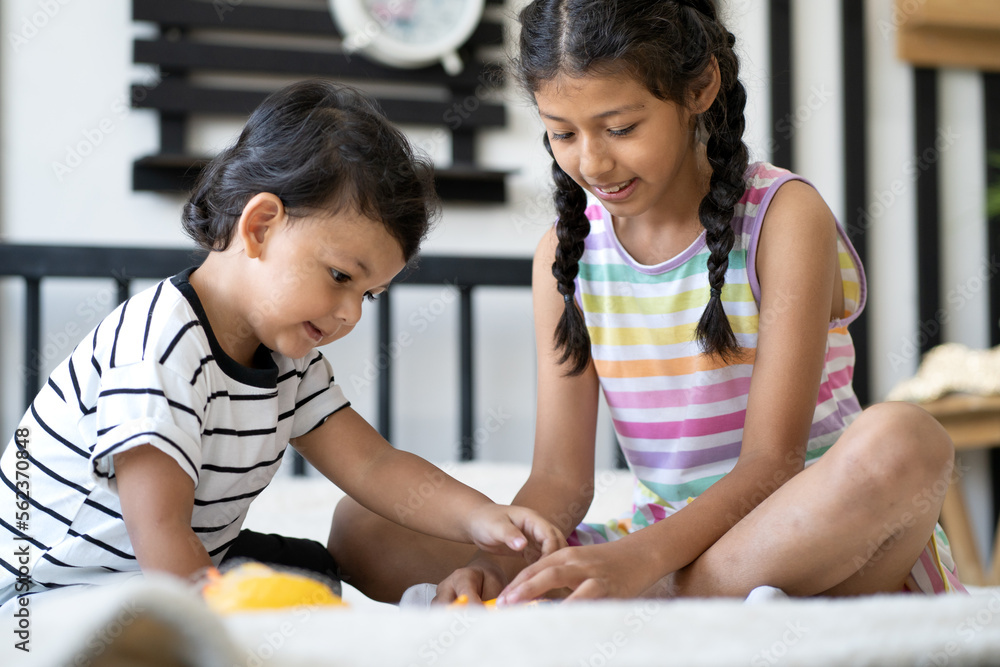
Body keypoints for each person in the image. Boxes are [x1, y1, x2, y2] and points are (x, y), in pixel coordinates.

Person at [329, 0, 965, 604]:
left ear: (699, 89)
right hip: (663, 544)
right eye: (563, 133)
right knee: (366, 525)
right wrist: (495, 568)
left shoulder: (782, 216)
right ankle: (665, 600)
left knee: (908, 441)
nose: (594, 160)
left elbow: (773, 465)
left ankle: (662, 602)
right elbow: (559, 480)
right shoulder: (565, 256)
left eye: (621, 127)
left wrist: (638, 566)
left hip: (799, 530)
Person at [0, 80, 565, 608]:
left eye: (368, 297)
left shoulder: (289, 363)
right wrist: (225, 633)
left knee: (316, 579)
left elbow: (372, 465)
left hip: (163, 565)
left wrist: (481, 518)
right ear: (261, 226)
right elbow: (160, 532)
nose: (349, 315)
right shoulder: (159, 348)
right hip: (55, 591)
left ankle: (424, 613)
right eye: (342, 277)